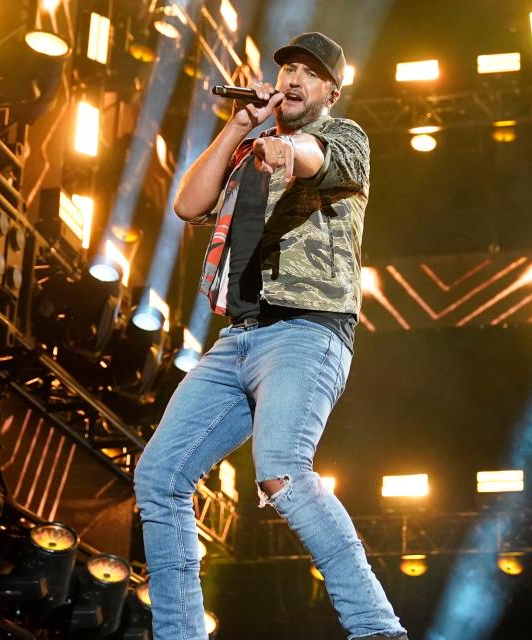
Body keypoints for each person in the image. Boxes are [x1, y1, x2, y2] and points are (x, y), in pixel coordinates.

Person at [134, 32, 408, 640]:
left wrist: (289, 150)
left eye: (309, 73)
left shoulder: (345, 137)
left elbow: (314, 157)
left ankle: (376, 630)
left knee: (281, 468)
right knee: (159, 476)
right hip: (240, 336)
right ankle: (179, 634)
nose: (292, 78)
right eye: (287, 68)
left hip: (308, 332)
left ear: (331, 90)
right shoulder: (250, 144)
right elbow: (188, 205)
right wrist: (239, 127)